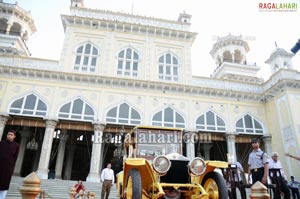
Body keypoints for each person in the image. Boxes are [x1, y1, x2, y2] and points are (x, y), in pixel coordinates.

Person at [0, 130, 19, 199]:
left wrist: (11, 167)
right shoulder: (1, 143)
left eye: (11, 135)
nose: (9, 136)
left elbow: (15, 157)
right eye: (8, 134)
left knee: (5, 183)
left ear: (14, 136)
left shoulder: (16, 145)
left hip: (8, 168)